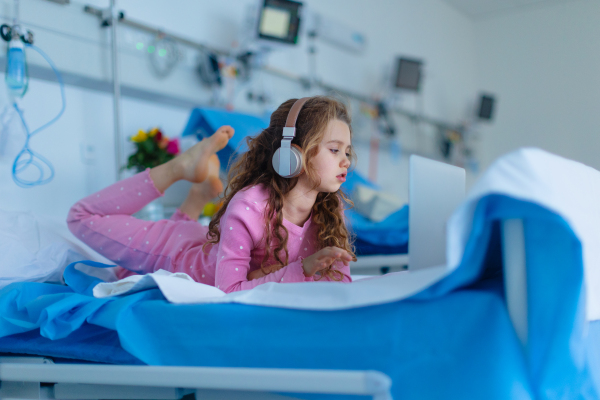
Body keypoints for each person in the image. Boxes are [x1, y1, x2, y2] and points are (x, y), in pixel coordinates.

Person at [67, 96, 356, 293]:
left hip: (205, 245)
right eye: (334, 149)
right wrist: (300, 270)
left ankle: (196, 199)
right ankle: (178, 167)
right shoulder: (250, 206)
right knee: (82, 218)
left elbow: (338, 285)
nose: (346, 160)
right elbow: (229, 291)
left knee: (127, 274)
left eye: (347, 151)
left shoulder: (331, 210)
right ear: (291, 153)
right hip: (174, 252)